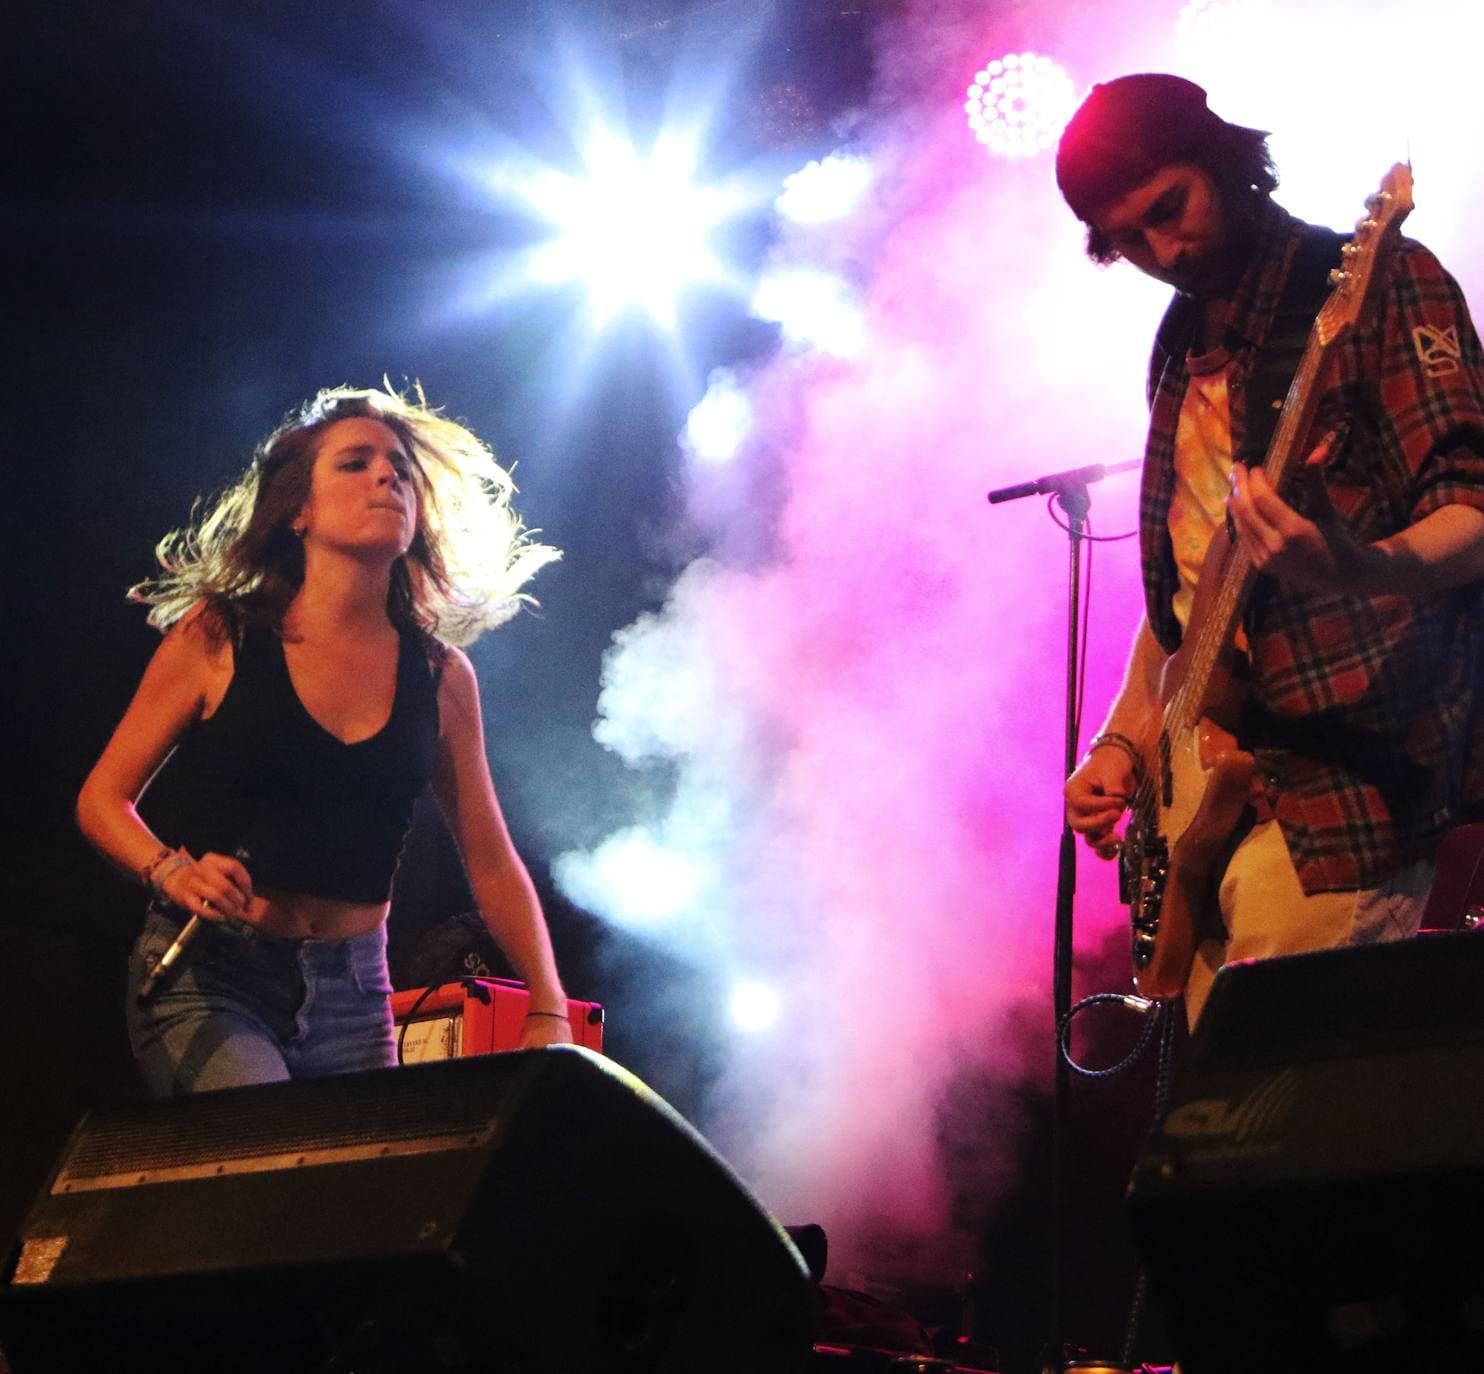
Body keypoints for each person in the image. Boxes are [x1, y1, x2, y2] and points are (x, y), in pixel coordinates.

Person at [1055, 75, 1484, 1025]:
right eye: (1129, 240)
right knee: (1220, 1135)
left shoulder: (1378, 282)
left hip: (1346, 787)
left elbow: (1475, 511)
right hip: (1214, 797)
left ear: (1224, 160)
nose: (1163, 251)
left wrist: (1360, 566)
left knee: (1278, 1118)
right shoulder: (1178, 343)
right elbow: (1189, 598)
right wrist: (1127, 739)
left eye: (1171, 208)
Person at [77, 384, 575, 1095]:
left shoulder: (439, 675)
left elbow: (490, 856)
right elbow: (102, 799)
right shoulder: (220, 637)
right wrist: (170, 871)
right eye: (355, 463)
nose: (387, 476)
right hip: (214, 977)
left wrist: (548, 1004)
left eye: (400, 468)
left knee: (363, 1202)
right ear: (299, 511)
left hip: (355, 993)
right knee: (269, 1159)